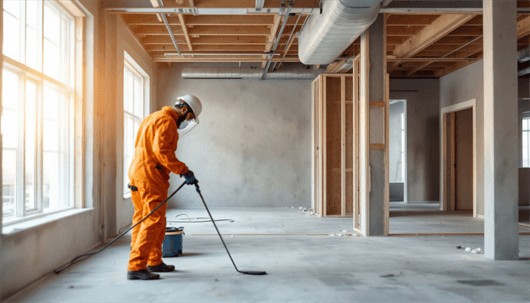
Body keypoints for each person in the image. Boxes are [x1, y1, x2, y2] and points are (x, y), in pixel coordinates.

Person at [126, 95, 202, 280]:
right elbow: (162, 152)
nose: (187, 121)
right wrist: (184, 170)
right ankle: (136, 267)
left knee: (147, 220)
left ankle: (153, 261)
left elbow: (142, 147)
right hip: (151, 176)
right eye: (190, 118)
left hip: (138, 174)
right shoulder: (167, 122)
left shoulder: (151, 117)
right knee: (153, 221)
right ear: (184, 110)